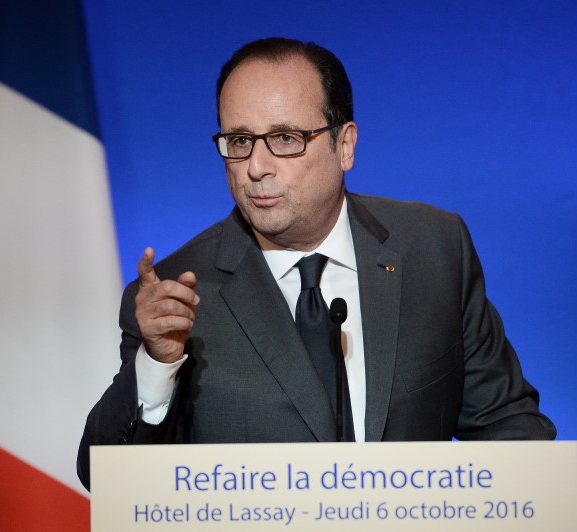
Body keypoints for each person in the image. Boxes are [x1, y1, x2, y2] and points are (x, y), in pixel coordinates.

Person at [76, 37, 555, 490]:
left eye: (285, 138)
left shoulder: (435, 248)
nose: (257, 167)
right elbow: (110, 478)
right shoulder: (176, 295)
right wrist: (158, 364)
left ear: (344, 145)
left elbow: (507, 426)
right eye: (239, 141)